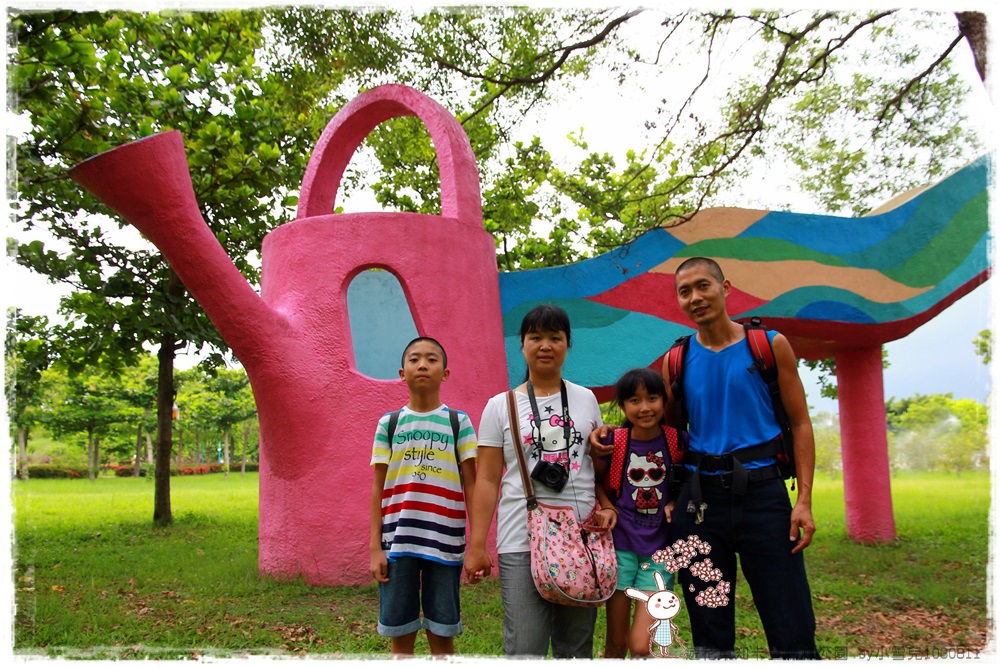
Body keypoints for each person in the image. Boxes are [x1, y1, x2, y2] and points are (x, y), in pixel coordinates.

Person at [591, 256, 821, 659]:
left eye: (703, 286)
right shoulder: (676, 361)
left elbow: (800, 423)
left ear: (725, 288)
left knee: (789, 616)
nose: (695, 297)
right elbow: (666, 434)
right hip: (701, 504)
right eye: (684, 292)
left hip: (765, 497)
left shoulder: (768, 345)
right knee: (709, 623)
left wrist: (803, 500)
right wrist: (609, 435)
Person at [464, 304, 611, 658]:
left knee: (575, 646)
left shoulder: (586, 399)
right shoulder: (499, 406)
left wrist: (604, 492)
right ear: (523, 345)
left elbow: (592, 466)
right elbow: (486, 479)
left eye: (555, 337)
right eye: (536, 337)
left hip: (581, 536)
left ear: (567, 344)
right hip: (521, 537)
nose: (545, 345)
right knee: (525, 647)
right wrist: (478, 544)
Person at [369, 336, 478, 657]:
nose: (423, 365)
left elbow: (472, 486)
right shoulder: (388, 424)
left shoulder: (459, 423)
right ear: (402, 372)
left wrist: (477, 544)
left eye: (432, 359)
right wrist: (375, 547)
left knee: (442, 634)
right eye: (415, 359)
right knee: (399, 635)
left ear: (445, 373)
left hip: (445, 544)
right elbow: (378, 487)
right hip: (397, 544)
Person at [595, 367, 682, 659]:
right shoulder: (613, 442)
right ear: (622, 406)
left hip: (659, 553)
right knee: (616, 644)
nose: (645, 408)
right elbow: (595, 481)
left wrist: (676, 502)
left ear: (663, 401)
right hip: (620, 548)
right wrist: (607, 506)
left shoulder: (677, 441)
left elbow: (689, 480)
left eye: (653, 398)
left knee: (641, 645)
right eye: (634, 400)